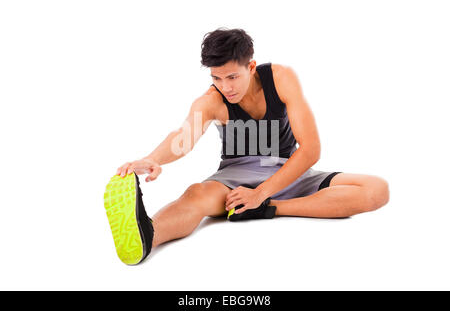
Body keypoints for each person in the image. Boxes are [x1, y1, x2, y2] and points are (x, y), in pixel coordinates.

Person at [104, 28, 390, 265]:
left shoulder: (280, 79)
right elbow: (183, 137)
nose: (225, 87)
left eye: (232, 77)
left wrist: (262, 196)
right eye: (216, 78)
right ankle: (146, 236)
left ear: (251, 67)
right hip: (235, 182)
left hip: (289, 173)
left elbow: (311, 149)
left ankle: (272, 208)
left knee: (377, 189)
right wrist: (153, 159)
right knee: (196, 195)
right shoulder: (211, 101)